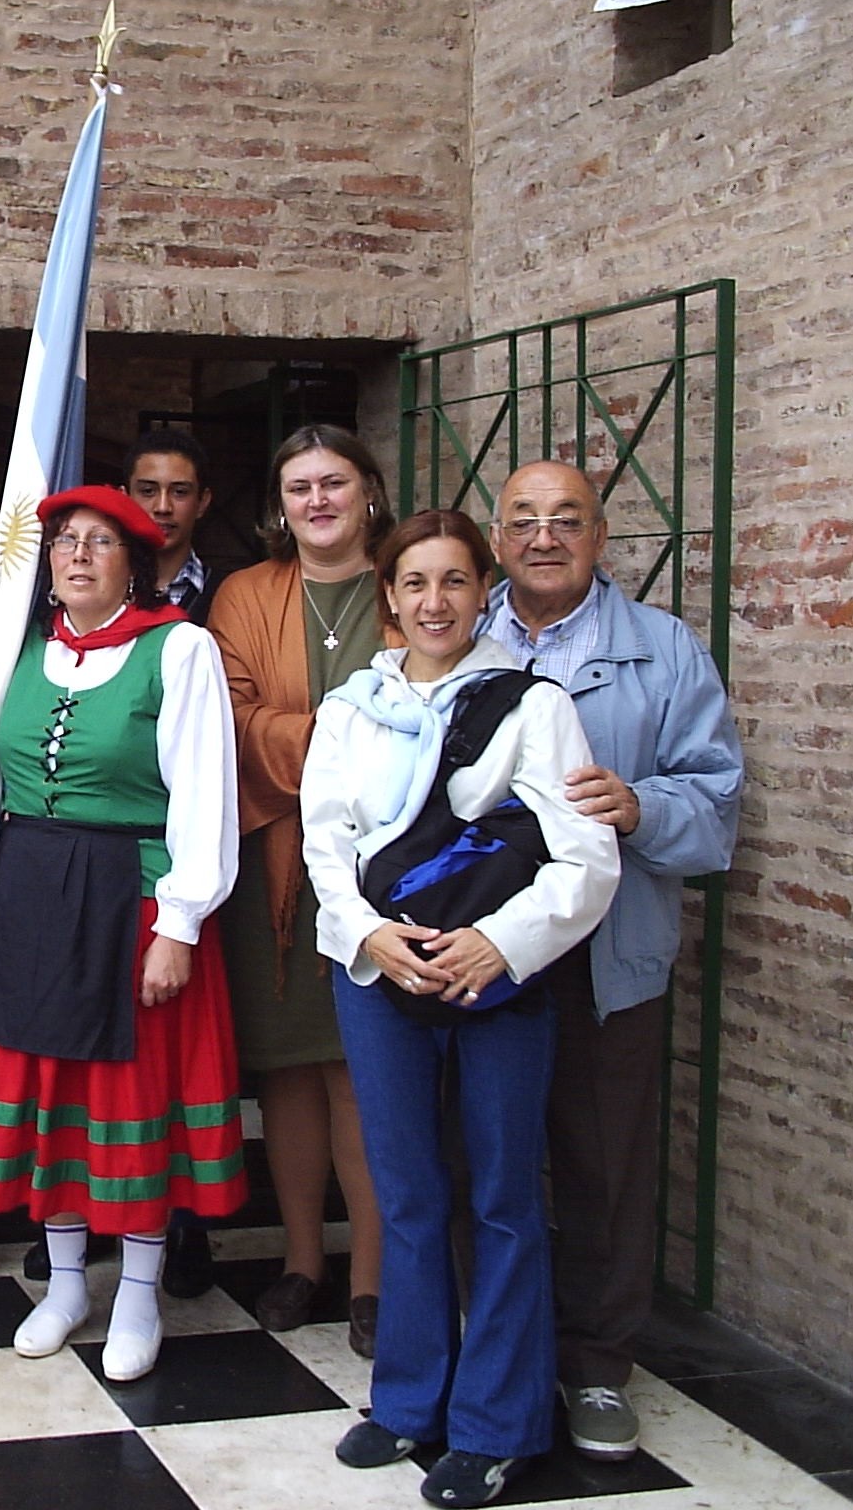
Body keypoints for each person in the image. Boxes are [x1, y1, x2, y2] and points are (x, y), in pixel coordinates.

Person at [304, 510, 620, 1508]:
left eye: (450, 582)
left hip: (498, 981)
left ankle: (497, 1424)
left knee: (499, 1201)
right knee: (404, 1195)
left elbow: (583, 856)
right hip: (380, 974)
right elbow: (327, 840)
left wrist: (499, 944)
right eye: (412, 584)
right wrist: (367, 936)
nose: (432, 602)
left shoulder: (531, 706)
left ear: (479, 591)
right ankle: (407, 1401)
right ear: (387, 599)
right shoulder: (350, 709)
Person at [0, 485, 246, 1385]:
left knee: (131, 1098)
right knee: (55, 1093)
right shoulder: (19, 654)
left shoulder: (178, 650)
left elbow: (204, 791)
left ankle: (142, 1292)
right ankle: (68, 1282)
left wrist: (181, 924)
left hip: (132, 900)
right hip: (32, 896)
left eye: (100, 542)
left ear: (136, 562)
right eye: (64, 542)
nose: (76, 555)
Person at [484, 461, 742, 1462]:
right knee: (483, 1163)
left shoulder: (661, 651)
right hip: (483, 953)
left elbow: (716, 801)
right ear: (496, 536)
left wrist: (640, 806)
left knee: (602, 1165)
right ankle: (493, 1352)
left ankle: (594, 1367)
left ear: (598, 537)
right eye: (522, 520)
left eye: (565, 520)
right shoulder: (458, 634)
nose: (542, 537)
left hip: (606, 957)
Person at [206, 423, 394, 1355]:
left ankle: (371, 1275)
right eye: (298, 487)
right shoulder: (246, 594)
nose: (317, 501)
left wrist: (346, 749)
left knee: (360, 1071)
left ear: (369, 491)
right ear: (278, 504)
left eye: (334, 482)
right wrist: (343, 739)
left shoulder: (406, 584)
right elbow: (232, 717)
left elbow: (436, 708)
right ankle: (300, 1261)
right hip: (276, 860)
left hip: (386, 865)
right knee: (287, 1073)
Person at [126, 427, 222, 620]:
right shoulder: (98, 589)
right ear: (124, 498)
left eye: (179, 492)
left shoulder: (227, 595)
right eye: (147, 491)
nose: (163, 507)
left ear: (202, 502)